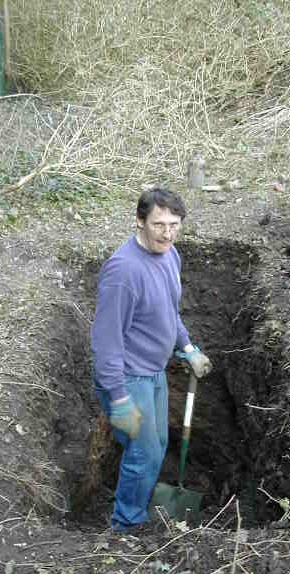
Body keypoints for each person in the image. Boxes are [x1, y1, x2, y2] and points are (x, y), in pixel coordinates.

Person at [91, 187, 212, 531]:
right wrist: (119, 398)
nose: (168, 233)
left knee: (156, 447)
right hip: (129, 378)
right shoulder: (123, 273)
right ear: (140, 221)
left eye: (175, 224)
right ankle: (126, 526)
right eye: (159, 224)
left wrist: (186, 347)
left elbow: (167, 312)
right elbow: (106, 342)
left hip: (153, 371)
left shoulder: (170, 255)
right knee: (143, 456)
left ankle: (133, 512)